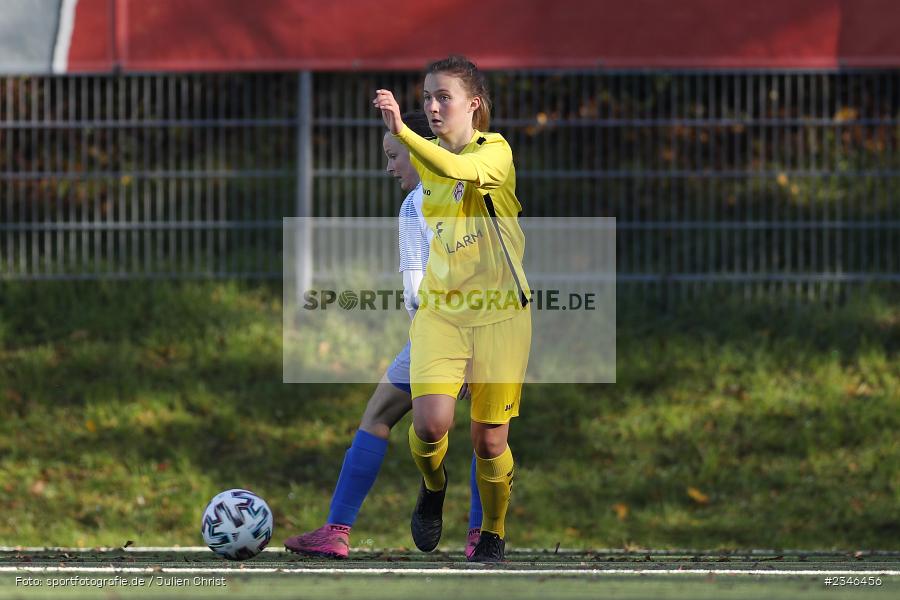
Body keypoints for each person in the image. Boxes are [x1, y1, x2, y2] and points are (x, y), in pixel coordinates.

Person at [283, 111, 483, 559]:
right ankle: (479, 537)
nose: (389, 167)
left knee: (379, 414)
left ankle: (337, 529)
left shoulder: (416, 205)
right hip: (492, 328)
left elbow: (417, 290)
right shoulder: (472, 188)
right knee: (486, 434)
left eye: (394, 155)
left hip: (443, 333)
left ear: (417, 151)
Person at [373, 56, 531, 563]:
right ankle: (433, 486)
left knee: (489, 442)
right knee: (429, 425)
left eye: (444, 96)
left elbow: (457, 167)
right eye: (426, 98)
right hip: (443, 313)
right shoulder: (425, 161)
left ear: (474, 104)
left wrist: (406, 133)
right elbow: (415, 165)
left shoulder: (495, 151)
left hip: (501, 313)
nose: (433, 106)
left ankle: (493, 532)